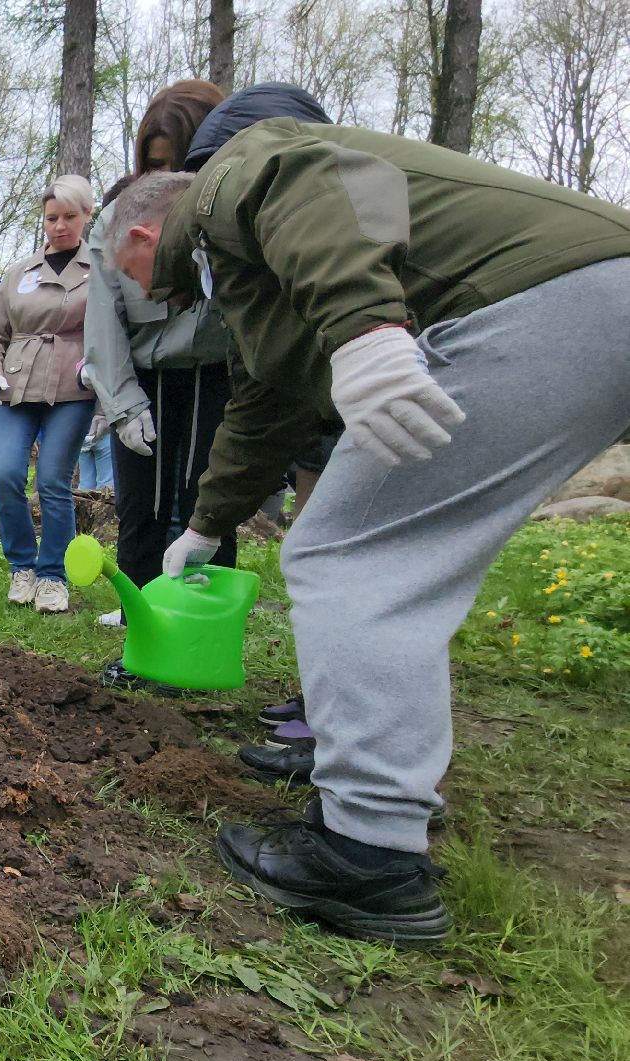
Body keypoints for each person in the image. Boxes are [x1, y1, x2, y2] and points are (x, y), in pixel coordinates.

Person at [103, 117, 630, 948]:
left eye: (120, 271)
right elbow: (265, 402)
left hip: (541, 301)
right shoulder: (244, 280)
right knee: (394, 562)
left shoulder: (231, 179)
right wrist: (206, 525)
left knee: (350, 558)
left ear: (141, 233)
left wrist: (364, 332)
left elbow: (302, 179)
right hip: (590, 301)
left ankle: (368, 856)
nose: (132, 290)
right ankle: (381, 799)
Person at [82, 81, 251, 646]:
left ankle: (200, 635)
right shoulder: (115, 220)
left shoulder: (235, 215)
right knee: (142, 509)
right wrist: (123, 405)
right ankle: (144, 635)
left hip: (214, 373)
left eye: (179, 163)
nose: (167, 177)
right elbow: (103, 322)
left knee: (207, 499)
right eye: (154, 166)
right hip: (145, 376)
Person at [0, 175, 98, 615]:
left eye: (69, 216)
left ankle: (52, 576)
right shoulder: (19, 273)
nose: (59, 225)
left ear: (87, 215)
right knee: (5, 475)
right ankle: (21, 566)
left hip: (72, 389)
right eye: (51, 217)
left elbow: (109, 329)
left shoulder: (100, 271)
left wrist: (96, 367)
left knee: (52, 479)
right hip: (17, 385)